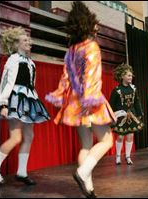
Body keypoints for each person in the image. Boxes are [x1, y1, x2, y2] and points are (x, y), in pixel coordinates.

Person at [45, 2, 116, 198]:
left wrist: (62, 96)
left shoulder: (72, 49)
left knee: (85, 144)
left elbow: (65, 78)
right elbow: (92, 76)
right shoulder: (91, 46)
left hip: (74, 102)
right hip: (89, 100)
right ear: (88, 24)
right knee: (107, 140)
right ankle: (82, 173)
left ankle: (89, 188)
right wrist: (90, 101)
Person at [0, 26, 50, 185]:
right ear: (16, 44)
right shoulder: (13, 59)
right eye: (25, 40)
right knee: (15, 137)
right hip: (15, 99)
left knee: (29, 136)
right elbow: (6, 82)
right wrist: (3, 104)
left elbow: (32, 85)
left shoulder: (31, 63)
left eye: (29, 40)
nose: (29, 42)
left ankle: (21, 172)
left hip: (29, 100)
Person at [109, 64, 144, 165]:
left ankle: (128, 156)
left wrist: (139, 113)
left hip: (131, 116)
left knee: (130, 136)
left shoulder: (133, 88)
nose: (130, 77)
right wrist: (113, 116)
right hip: (120, 116)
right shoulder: (116, 90)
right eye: (128, 75)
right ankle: (118, 156)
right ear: (122, 76)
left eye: (131, 75)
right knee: (120, 137)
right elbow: (111, 104)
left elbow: (137, 101)